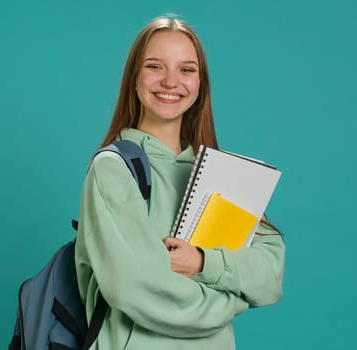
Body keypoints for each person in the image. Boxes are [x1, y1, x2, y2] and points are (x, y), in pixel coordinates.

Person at [75, 15, 285, 350]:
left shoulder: (223, 174)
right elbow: (135, 289)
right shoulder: (113, 169)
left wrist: (203, 262)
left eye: (187, 70)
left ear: (201, 84)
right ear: (134, 79)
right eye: (155, 66)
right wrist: (233, 296)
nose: (171, 81)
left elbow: (269, 274)